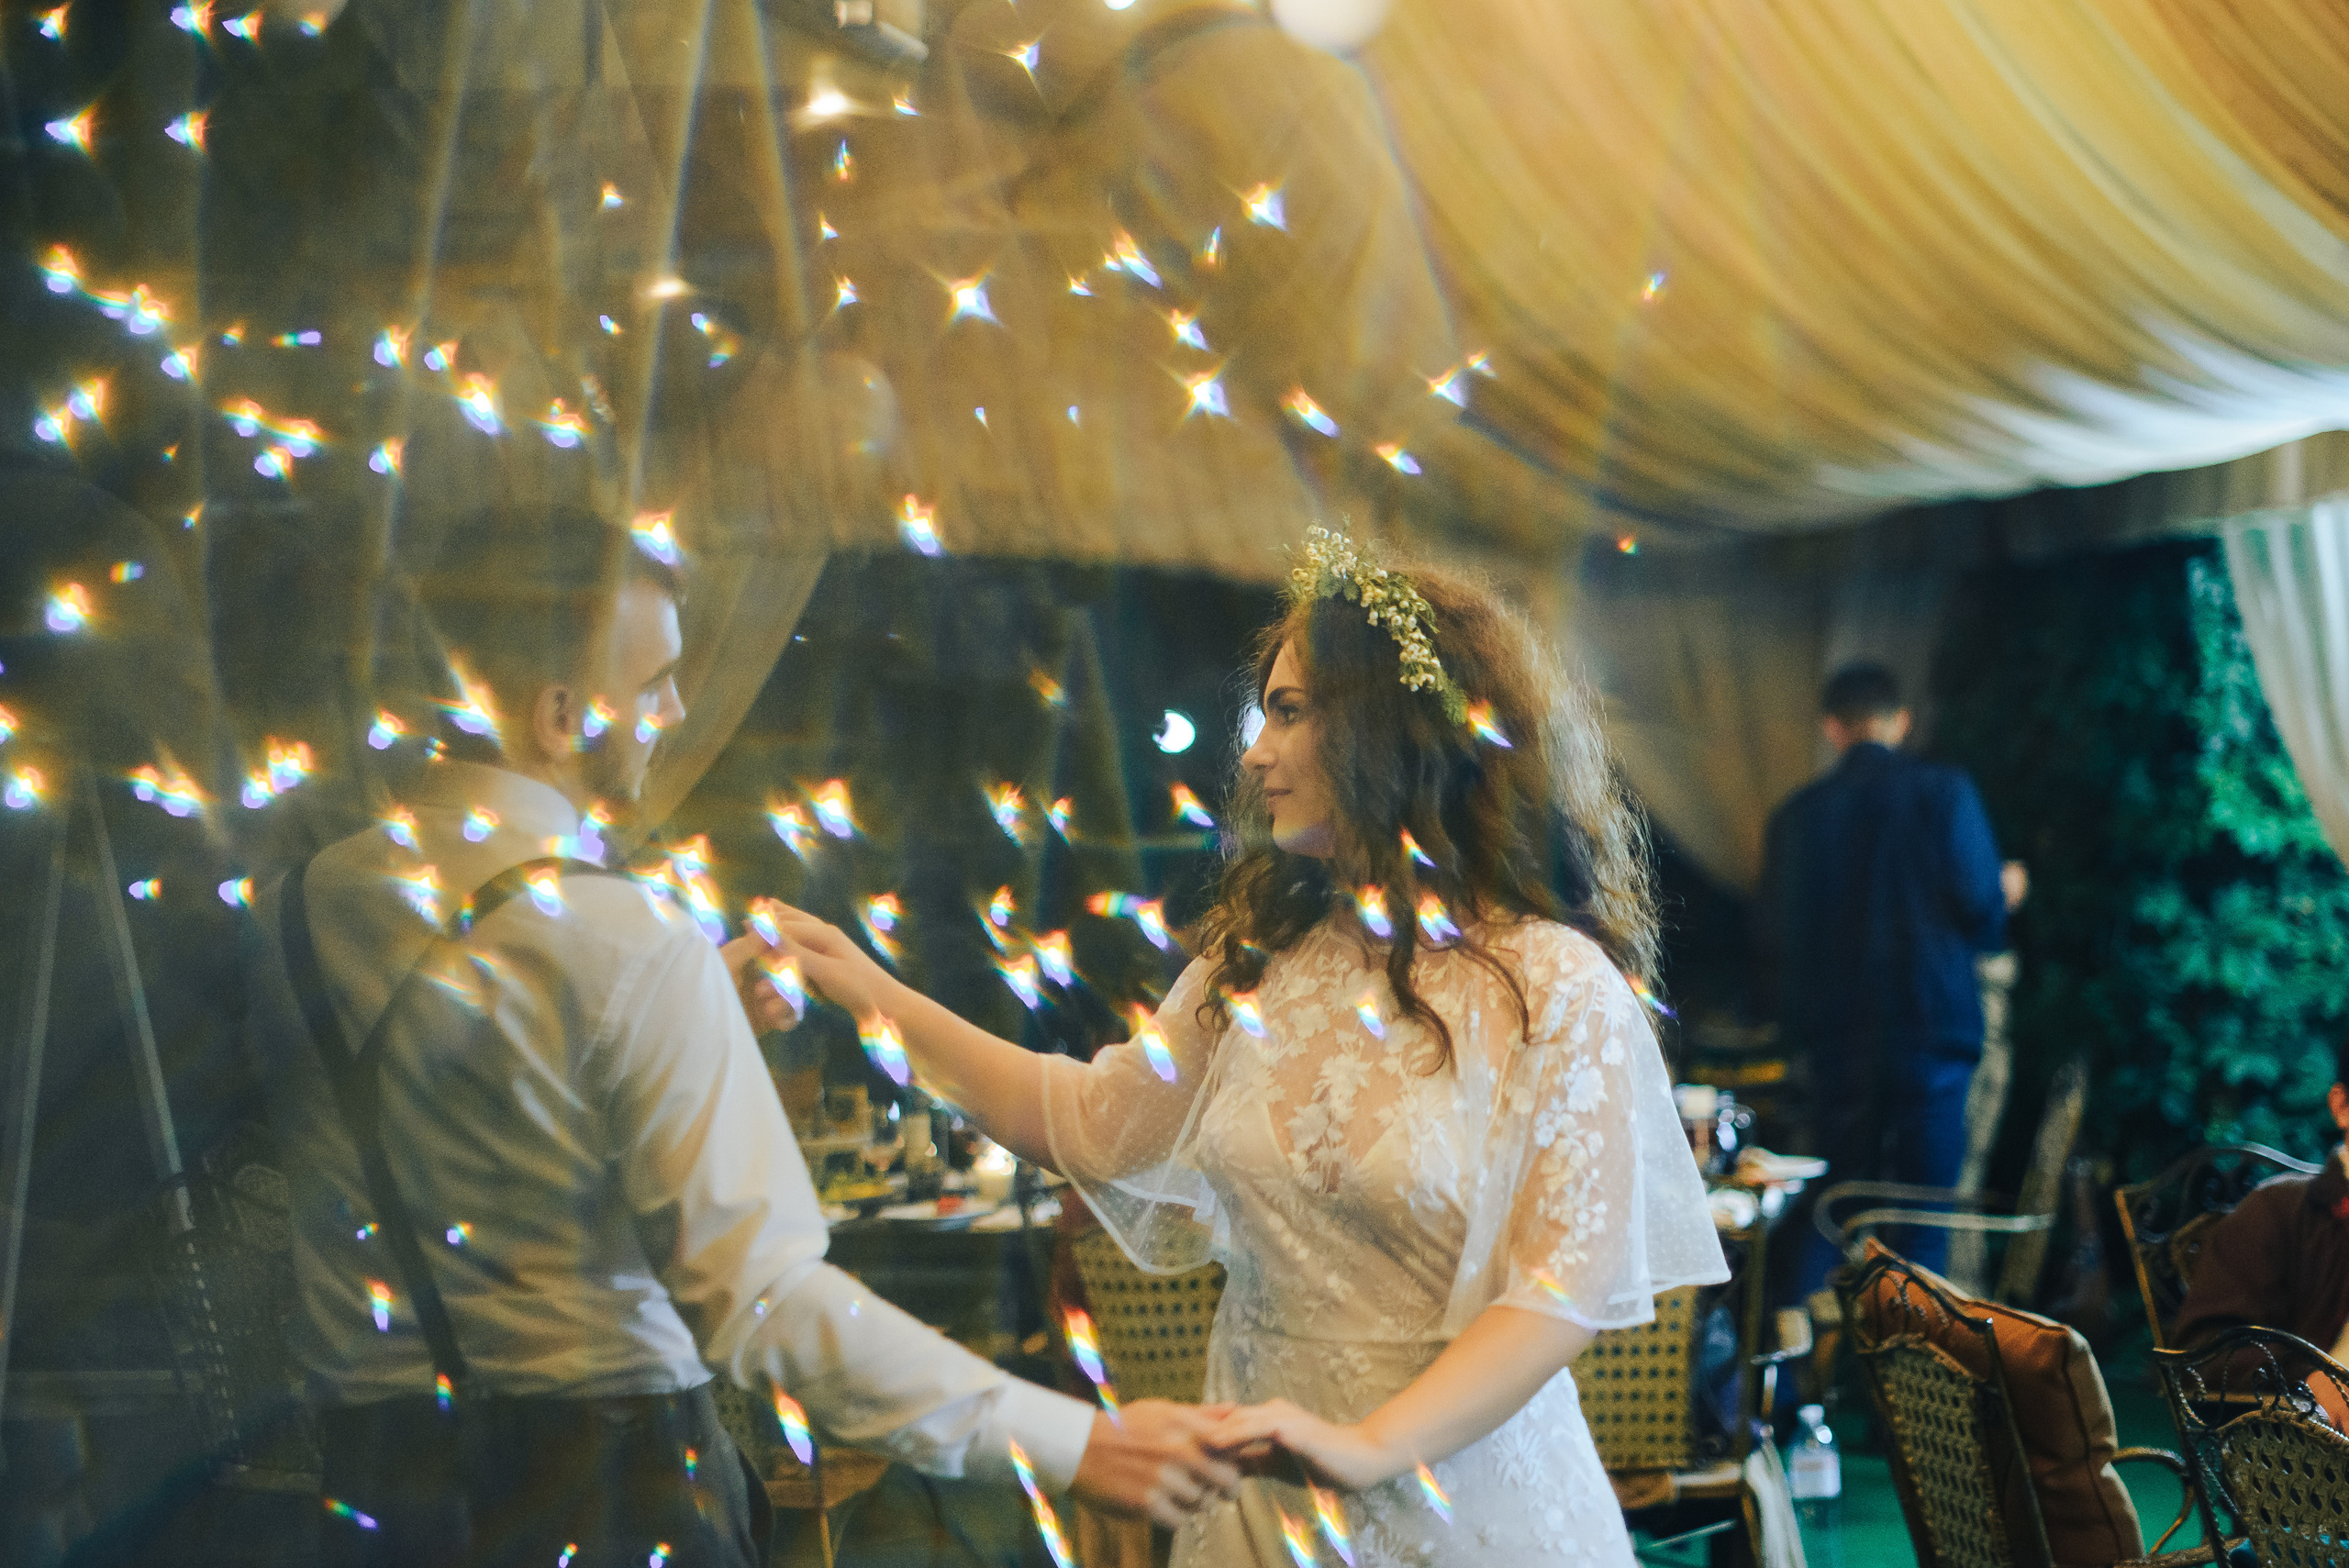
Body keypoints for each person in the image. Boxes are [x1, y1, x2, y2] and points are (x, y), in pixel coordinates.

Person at [246, 507, 1240, 1568]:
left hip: (372, 1494)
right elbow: (766, 1303)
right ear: (561, 715)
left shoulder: (305, 900)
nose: (677, 706)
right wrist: (1076, 1440)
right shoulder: (629, 940)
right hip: (606, 1491)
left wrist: (690, 1009)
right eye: (658, 680)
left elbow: (454, 1087)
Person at [762, 528, 1727, 1565]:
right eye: (1261, 713)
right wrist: (871, 994)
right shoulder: (1257, 959)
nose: (1256, 752)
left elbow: (1556, 1292)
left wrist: (1365, 1445)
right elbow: (1086, 1118)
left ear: (1394, 728)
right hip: (1260, 1504)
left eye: (1290, 711)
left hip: (1470, 1507)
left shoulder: (1553, 982)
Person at [1756, 662, 2027, 1295]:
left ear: (1832, 727)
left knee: (1836, 1200)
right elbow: (1981, 911)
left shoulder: (1797, 816)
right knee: (1923, 1210)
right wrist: (2004, 890)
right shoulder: (1944, 791)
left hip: (1838, 1038)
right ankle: (1913, 1377)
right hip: (1932, 1030)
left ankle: (1791, 1371)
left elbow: (1774, 937)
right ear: (1899, 721)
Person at [2173, 1037, 2349, 1360]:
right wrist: (2306, 1379)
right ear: (2341, 1107)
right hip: (2312, 1404)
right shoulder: (2278, 1210)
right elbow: (2206, 1350)